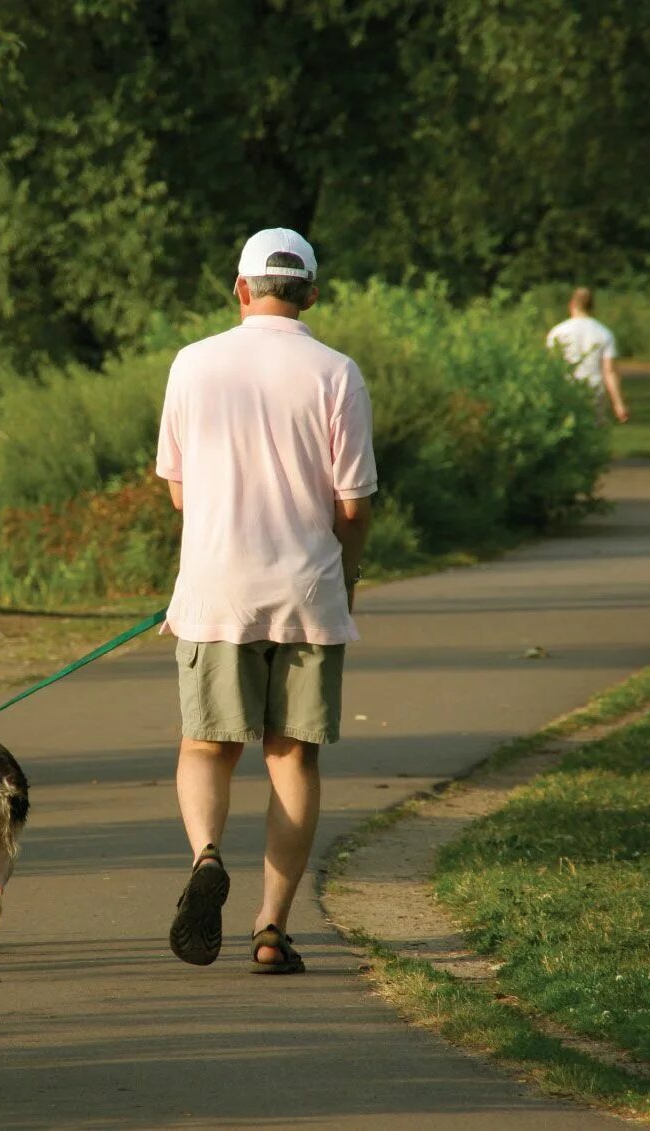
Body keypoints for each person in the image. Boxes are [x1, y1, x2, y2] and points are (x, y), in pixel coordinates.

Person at [155, 228, 376, 975]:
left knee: (205, 745)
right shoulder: (338, 372)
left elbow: (180, 490)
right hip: (307, 590)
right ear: (311, 292)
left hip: (216, 588)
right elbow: (353, 504)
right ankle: (271, 928)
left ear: (242, 289)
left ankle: (207, 853)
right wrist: (347, 580)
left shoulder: (193, 364)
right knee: (292, 756)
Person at [546, 287, 629, 423]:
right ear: (592, 307)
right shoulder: (603, 333)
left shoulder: (557, 332)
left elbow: (551, 367)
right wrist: (618, 404)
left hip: (566, 388)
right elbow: (610, 372)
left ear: (571, 304)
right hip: (594, 389)